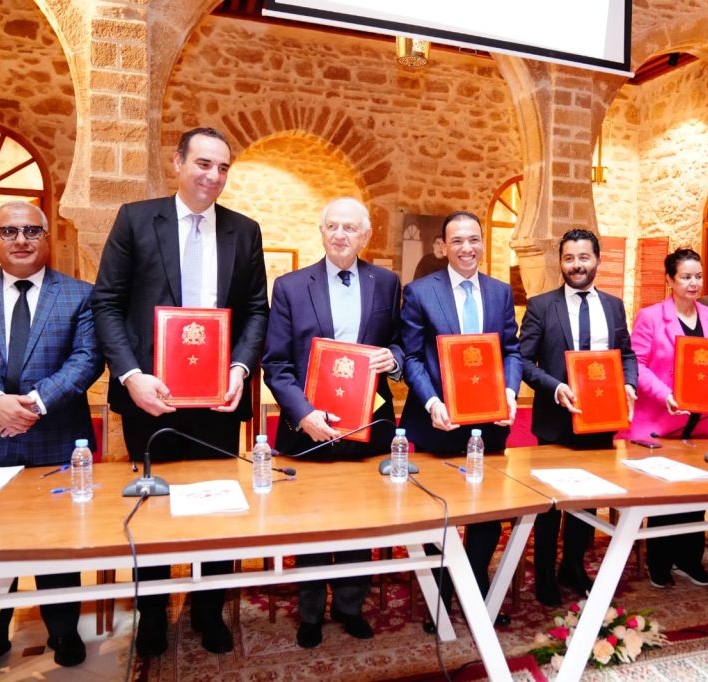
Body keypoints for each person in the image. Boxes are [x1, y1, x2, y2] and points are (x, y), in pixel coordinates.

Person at [91, 127, 269, 657]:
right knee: (153, 509)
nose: (213, 176)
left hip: (218, 400)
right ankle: (152, 615)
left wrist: (240, 368)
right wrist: (130, 375)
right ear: (177, 162)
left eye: (223, 168)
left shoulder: (244, 230)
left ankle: (208, 610)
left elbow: (255, 310)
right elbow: (107, 302)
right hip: (151, 397)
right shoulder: (136, 219)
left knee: (218, 511)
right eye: (203, 164)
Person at [0, 201, 103, 677]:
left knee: (59, 545)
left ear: (46, 237)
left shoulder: (79, 295)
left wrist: (33, 405)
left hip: (55, 438)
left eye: (31, 230)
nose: (21, 240)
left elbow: (87, 359)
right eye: (8, 231)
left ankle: (63, 630)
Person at [261, 197, 403, 648]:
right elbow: (275, 363)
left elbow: (399, 343)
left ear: (366, 236)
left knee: (361, 522)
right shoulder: (289, 286)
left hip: (368, 425)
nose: (340, 235)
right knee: (313, 524)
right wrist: (303, 414)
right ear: (322, 232)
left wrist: (393, 359)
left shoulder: (386, 283)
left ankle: (349, 606)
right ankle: (309, 613)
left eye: (350, 228)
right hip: (309, 428)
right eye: (333, 226)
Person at [400, 210, 521, 629]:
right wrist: (431, 401)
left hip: (488, 422)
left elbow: (511, 350)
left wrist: (510, 391)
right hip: (438, 422)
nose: (466, 248)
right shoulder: (420, 292)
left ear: (482, 243)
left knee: (486, 513)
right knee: (440, 511)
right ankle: (441, 596)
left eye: (473, 240)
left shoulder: (500, 292)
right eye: (457, 241)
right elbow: (412, 356)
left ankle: (476, 585)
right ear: (443, 246)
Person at [519, 228, 638, 606]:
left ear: (597, 260)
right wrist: (555, 387)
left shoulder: (614, 306)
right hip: (555, 421)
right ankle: (544, 574)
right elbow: (523, 361)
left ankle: (572, 566)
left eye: (583, 258)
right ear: (560, 262)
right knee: (551, 505)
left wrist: (629, 384)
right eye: (569, 258)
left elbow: (626, 355)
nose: (576, 265)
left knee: (586, 501)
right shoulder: (541, 306)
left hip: (600, 421)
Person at [627, 248, 708, 589]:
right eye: (685, 277)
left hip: (701, 419)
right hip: (662, 417)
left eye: (698, 276)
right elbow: (637, 365)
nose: (693, 283)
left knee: (696, 492)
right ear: (669, 280)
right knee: (666, 492)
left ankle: (689, 560)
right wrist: (665, 395)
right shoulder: (650, 317)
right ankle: (659, 562)